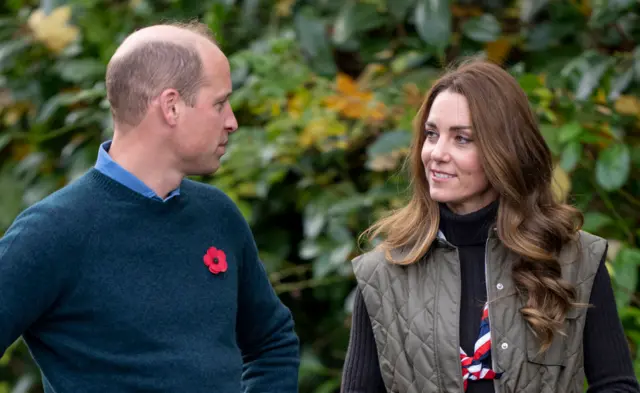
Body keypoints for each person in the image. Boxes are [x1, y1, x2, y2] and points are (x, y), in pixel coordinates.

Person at [0, 21, 300, 393]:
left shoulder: (218, 215)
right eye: (220, 103)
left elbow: (273, 342)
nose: (232, 121)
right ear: (171, 106)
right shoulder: (51, 232)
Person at [341, 59, 640, 393]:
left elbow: (617, 386)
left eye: (462, 139)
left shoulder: (575, 258)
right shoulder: (384, 271)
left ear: (506, 151)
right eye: (431, 134)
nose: (436, 153)